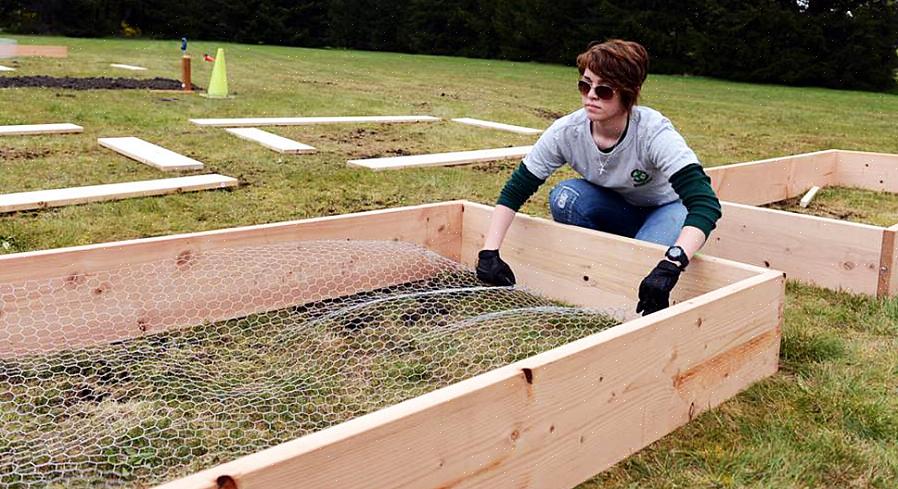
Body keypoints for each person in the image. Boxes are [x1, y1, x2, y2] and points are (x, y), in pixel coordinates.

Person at [475, 39, 722, 316]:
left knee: (644, 258)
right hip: (618, 207)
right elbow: (516, 190)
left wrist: (672, 263)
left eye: (604, 90)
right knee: (566, 197)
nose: (591, 95)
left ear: (630, 93)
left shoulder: (654, 133)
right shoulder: (567, 131)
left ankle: (648, 249)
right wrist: (489, 252)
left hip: (666, 208)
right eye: (585, 85)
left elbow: (705, 204)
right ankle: (603, 267)